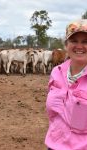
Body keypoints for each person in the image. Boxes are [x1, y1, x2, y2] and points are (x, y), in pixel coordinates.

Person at [45, 19, 87, 150]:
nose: (79, 46)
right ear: (66, 45)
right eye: (74, 41)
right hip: (53, 145)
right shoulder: (56, 73)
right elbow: (53, 115)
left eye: (85, 42)